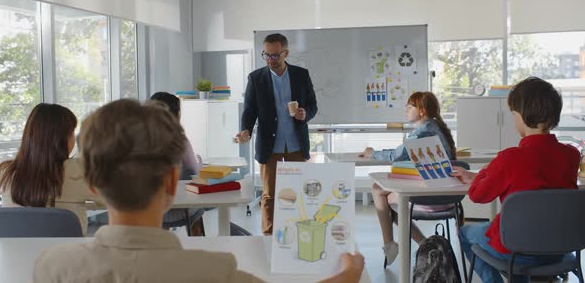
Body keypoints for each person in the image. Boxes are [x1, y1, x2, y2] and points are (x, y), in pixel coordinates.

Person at [33, 99, 364, 283]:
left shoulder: (52, 268)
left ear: (92, 183)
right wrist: (350, 273)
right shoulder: (215, 272)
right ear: (171, 180)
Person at [452, 77, 579, 283]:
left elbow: (477, 195)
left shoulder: (510, 158)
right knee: (523, 237)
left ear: (522, 115)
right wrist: (487, 173)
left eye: (513, 113)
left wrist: (485, 172)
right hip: (559, 249)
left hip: (515, 249)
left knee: (464, 233)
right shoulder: (571, 155)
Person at [360, 91, 457, 266]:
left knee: (381, 193)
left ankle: (394, 244)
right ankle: (423, 244)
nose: (406, 109)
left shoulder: (422, 132)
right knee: (384, 195)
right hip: (449, 198)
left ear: (422, 111)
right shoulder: (436, 128)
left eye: (410, 106)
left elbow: (396, 156)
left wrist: (371, 153)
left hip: (430, 196)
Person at [235, 33, 318, 235]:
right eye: (267, 55)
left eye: (275, 55)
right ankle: (269, 237)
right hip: (269, 145)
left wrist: (305, 114)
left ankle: (299, 234)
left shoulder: (301, 75)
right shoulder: (256, 78)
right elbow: (249, 110)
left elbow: (313, 105)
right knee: (270, 194)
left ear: (285, 53)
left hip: (296, 143)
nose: (271, 60)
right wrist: (246, 129)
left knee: (298, 192)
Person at [0, 103, 104, 235]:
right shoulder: (78, 171)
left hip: (16, 254)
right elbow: (116, 199)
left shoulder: (6, 171)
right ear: (61, 139)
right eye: (71, 133)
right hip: (67, 254)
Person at [149, 92, 205, 236]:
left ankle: (162, 242)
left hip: (153, 210)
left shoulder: (143, 141)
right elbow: (194, 168)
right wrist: (200, 162)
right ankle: (198, 240)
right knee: (197, 209)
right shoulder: (179, 140)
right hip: (183, 210)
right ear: (176, 114)